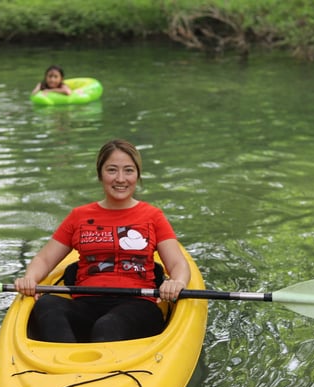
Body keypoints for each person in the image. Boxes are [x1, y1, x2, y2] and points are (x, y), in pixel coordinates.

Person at [14, 139, 191, 343]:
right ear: (100, 174)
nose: (120, 179)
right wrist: (30, 279)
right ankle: (63, 358)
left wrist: (177, 282)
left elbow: (177, 264)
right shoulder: (79, 216)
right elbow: (44, 259)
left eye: (128, 170)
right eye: (112, 170)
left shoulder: (153, 216)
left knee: (108, 325)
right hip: (86, 304)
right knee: (47, 304)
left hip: (138, 306)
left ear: (137, 175)